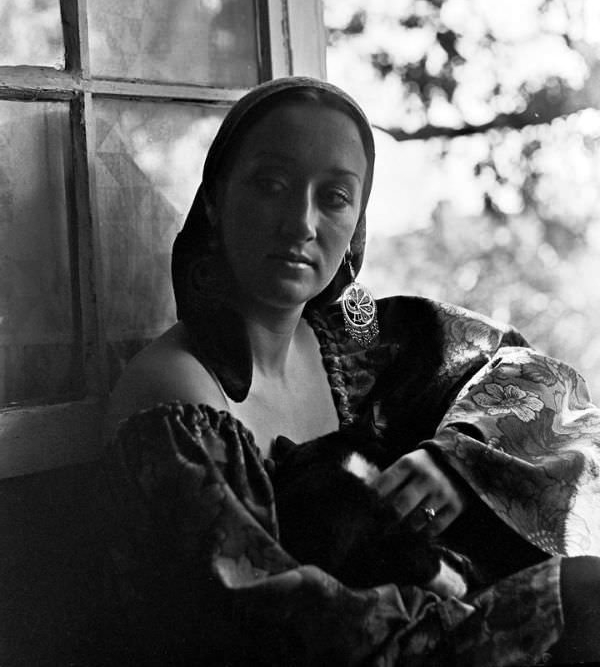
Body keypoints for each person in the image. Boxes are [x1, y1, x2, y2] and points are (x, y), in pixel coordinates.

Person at [103, 75, 600, 666]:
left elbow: (551, 392)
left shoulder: (359, 343)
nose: (301, 223)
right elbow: (258, 619)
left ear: (356, 222)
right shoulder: (178, 393)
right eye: (271, 184)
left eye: (334, 197)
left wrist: (459, 460)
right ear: (214, 198)